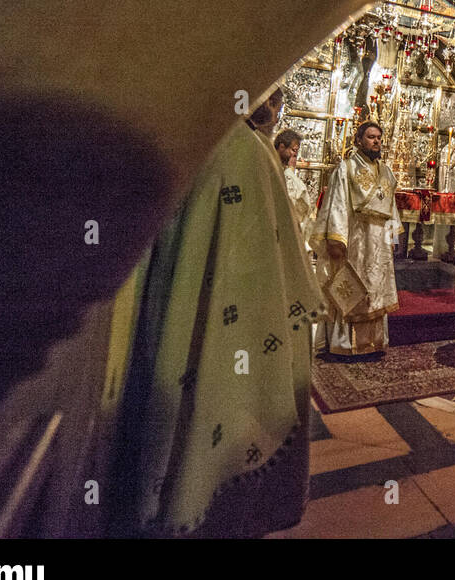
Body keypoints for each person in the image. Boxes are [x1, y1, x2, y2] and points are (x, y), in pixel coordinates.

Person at [111, 104, 324, 537]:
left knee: (185, 390)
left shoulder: (204, 136)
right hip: (237, 308)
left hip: (190, 301)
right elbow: (265, 260)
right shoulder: (241, 149)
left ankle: (177, 496)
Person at [310, 122, 400, 356]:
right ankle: (344, 344)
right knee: (352, 288)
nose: (376, 141)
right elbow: (337, 204)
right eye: (371, 137)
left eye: (379, 137)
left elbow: (391, 209)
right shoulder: (346, 168)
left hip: (379, 244)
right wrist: (337, 238)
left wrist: (392, 237)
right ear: (359, 140)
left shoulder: (387, 172)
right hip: (355, 239)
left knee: (376, 290)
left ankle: (374, 343)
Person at [276, 128, 316, 249]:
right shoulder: (273, 168)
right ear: (282, 147)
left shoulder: (287, 173)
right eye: (293, 150)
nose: (295, 155)